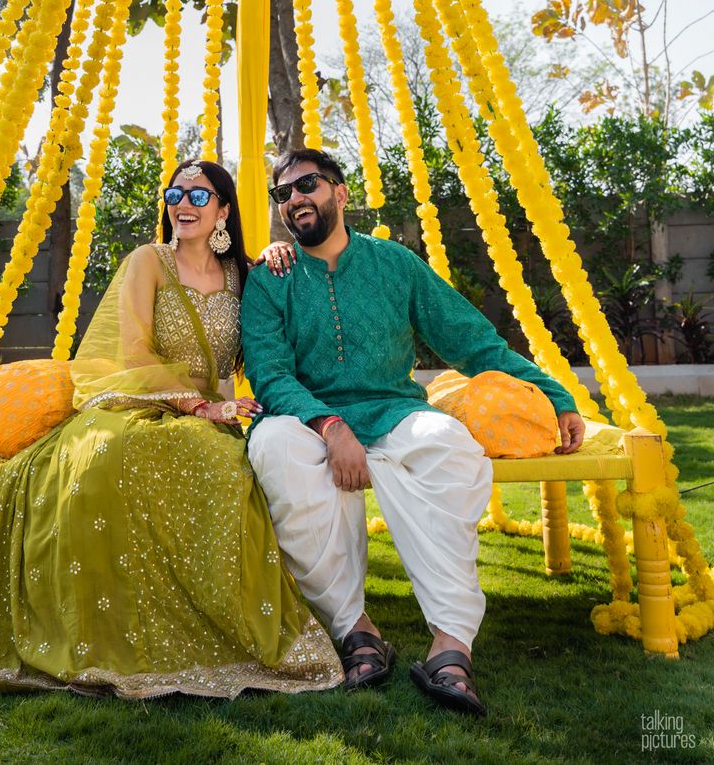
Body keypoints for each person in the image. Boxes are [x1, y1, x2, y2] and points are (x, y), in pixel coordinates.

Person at [0, 158, 343, 699]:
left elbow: (277, 328)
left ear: (224, 210)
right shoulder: (149, 261)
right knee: (109, 461)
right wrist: (194, 407)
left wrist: (279, 251)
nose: (183, 205)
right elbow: (133, 352)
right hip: (138, 402)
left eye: (200, 197)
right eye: (175, 195)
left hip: (212, 418)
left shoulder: (244, 276)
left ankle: (215, 622)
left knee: (224, 467)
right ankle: (107, 631)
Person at [241, 147, 586, 716]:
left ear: (340, 193)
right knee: (274, 446)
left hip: (393, 411)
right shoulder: (270, 280)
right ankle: (356, 630)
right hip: (309, 419)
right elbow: (271, 374)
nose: (296, 199)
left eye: (308, 185)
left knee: (451, 445)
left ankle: (452, 643)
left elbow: (472, 340)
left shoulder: (394, 264)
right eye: (284, 193)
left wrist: (555, 395)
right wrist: (330, 426)